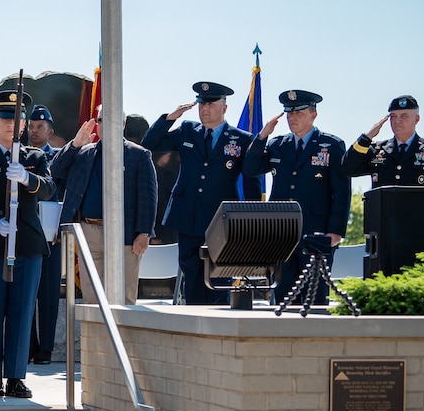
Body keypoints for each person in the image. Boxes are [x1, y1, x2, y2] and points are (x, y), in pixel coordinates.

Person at [0, 89, 54, 399]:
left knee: (21, 311)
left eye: (15, 119)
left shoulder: (35, 157)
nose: (9, 124)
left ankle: (16, 377)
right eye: (4, 118)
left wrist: (28, 179)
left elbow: (48, 188)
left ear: (23, 123)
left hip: (27, 246)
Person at [141, 81, 264, 305]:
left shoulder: (242, 140)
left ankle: (218, 330)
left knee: (221, 279)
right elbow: (150, 142)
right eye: (201, 104)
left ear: (224, 108)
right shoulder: (187, 130)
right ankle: (195, 325)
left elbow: (251, 182)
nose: (204, 109)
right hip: (188, 216)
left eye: (210, 104)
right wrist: (171, 117)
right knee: (193, 276)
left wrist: (252, 219)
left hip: (222, 220)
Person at [244, 90, 351, 305]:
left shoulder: (331, 145)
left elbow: (341, 191)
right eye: (289, 113)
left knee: (315, 295)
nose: (292, 118)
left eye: (298, 113)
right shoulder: (277, 145)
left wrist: (336, 231)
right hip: (281, 232)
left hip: (317, 231)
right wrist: (262, 136)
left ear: (313, 115)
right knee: (283, 293)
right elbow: (250, 169)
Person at [51, 105, 158, 304]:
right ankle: (96, 336)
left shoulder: (139, 155)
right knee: (92, 298)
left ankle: (122, 336)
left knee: (124, 299)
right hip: (89, 231)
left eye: (110, 119)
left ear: (123, 124)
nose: (103, 124)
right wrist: (74, 144)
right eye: (100, 120)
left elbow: (148, 197)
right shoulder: (83, 153)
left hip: (124, 235)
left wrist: (144, 233)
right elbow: (55, 170)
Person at [343, 94, 424, 236]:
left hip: (421, 233)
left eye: (404, 116)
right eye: (393, 116)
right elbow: (347, 168)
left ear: (416, 119)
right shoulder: (378, 150)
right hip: (384, 233)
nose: (397, 121)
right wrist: (366, 138)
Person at [26, 104, 61, 364]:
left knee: (48, 293)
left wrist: (60, 226)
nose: (34, 131)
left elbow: (67, 197)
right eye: (31, 127)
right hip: (26, 233)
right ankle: (28, 346)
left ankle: (46, 349)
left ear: (50, 131)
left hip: (52, 235)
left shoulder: (59, 158)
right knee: (25, 292)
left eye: (40, 127)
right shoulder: (21, 156)